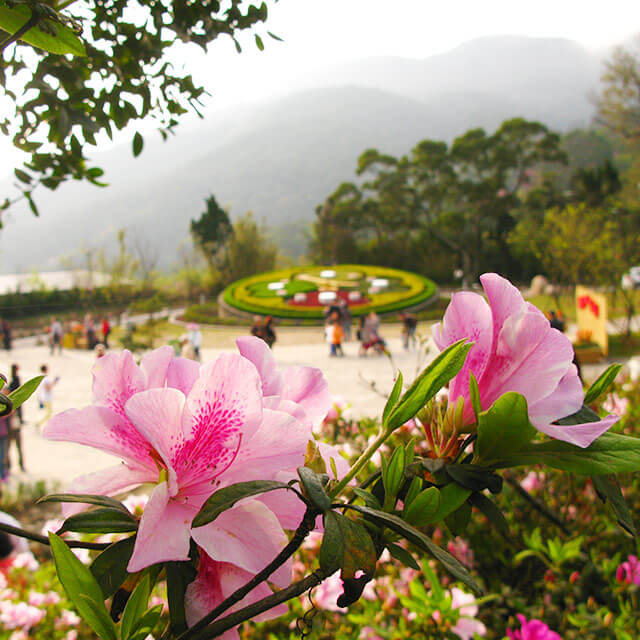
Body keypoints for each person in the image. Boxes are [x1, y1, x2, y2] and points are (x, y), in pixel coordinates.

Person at [7, 364, 25, 473]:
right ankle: (18, 465)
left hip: (12, 423)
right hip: (11, 424)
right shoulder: (16, 380)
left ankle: (11, 466)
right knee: (15, 447)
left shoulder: (13, 381)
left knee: (12, 447)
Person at [36, 365, 59, 430]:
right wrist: (55, 382)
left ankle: (42, 424)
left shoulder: (42, 377)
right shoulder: (45, 378)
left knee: (48, 413)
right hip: (47, 398)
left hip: (44, 397)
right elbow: (48, 388)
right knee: (49, 413)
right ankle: (39, 423)